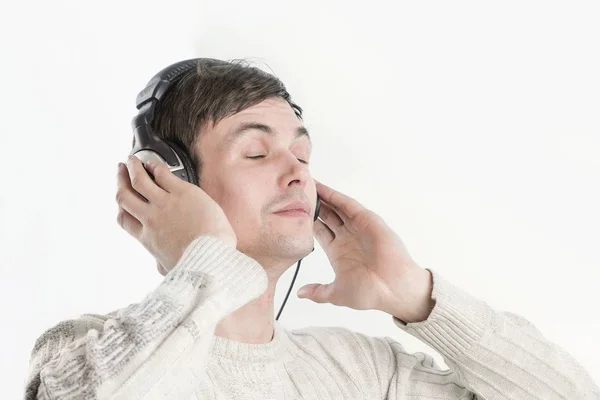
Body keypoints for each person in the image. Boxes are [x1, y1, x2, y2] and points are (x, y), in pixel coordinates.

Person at [25, 58, 599, 400]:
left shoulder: (364, 371)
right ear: (171, 179)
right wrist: (205, 259)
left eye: (302, 154)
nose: (297, 171)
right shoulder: (82, 352)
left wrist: (422, 299)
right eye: (255, 152)